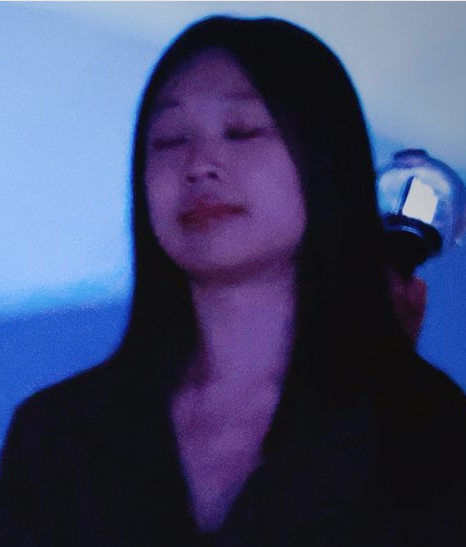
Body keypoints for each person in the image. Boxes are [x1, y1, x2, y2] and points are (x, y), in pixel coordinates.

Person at [1, 15, 466, 547]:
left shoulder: (422, 429)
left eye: (242, 130)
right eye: (169, 139)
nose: (199, 165)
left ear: (325, 157)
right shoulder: (58, 437)